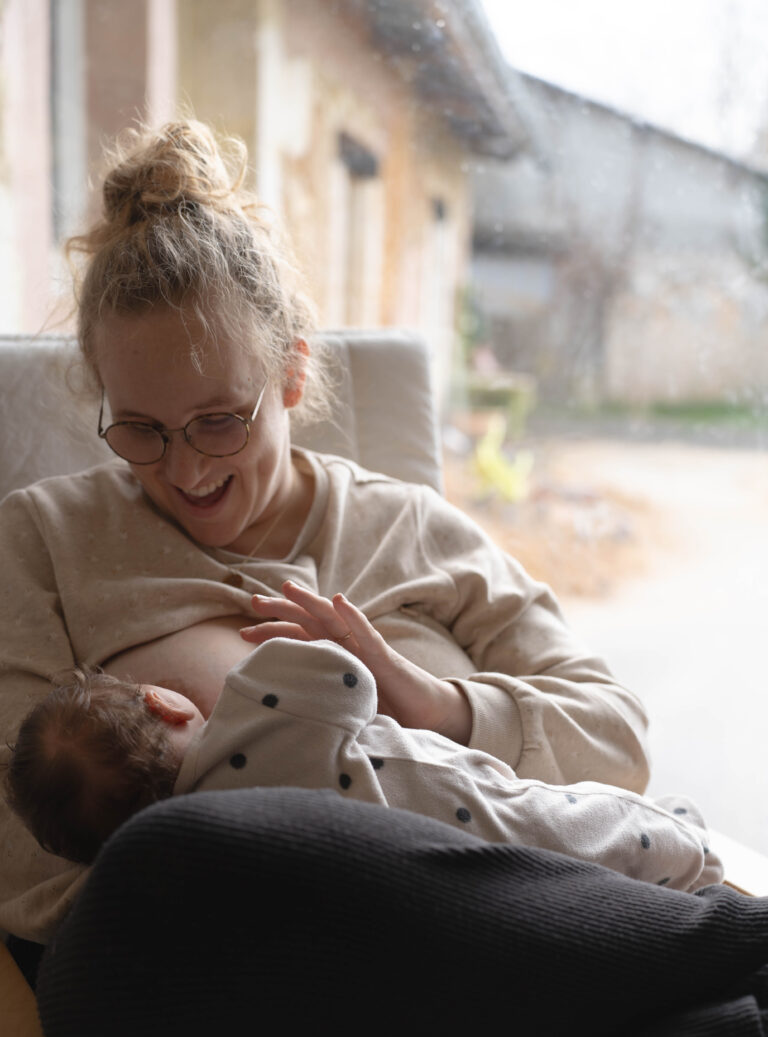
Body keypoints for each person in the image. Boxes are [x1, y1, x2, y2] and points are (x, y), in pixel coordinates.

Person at [0, 118, 651, 945]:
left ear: (294, 374)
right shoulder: (44, 539)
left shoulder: (408, 529)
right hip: (212, 961)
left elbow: (615, 738)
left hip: (504, 923)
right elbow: (19, 846)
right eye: (140, 430)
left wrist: (420, 697)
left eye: (219, 421)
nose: (187, 469)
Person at [6, 585, 722, 892]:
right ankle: (691, 848)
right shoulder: (259, 706)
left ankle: (679, 858)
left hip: (443, 871)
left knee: (579, 853)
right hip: (465, 802)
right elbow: (347, 680)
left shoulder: (201, 853)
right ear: (164, 703)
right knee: (584, 823)